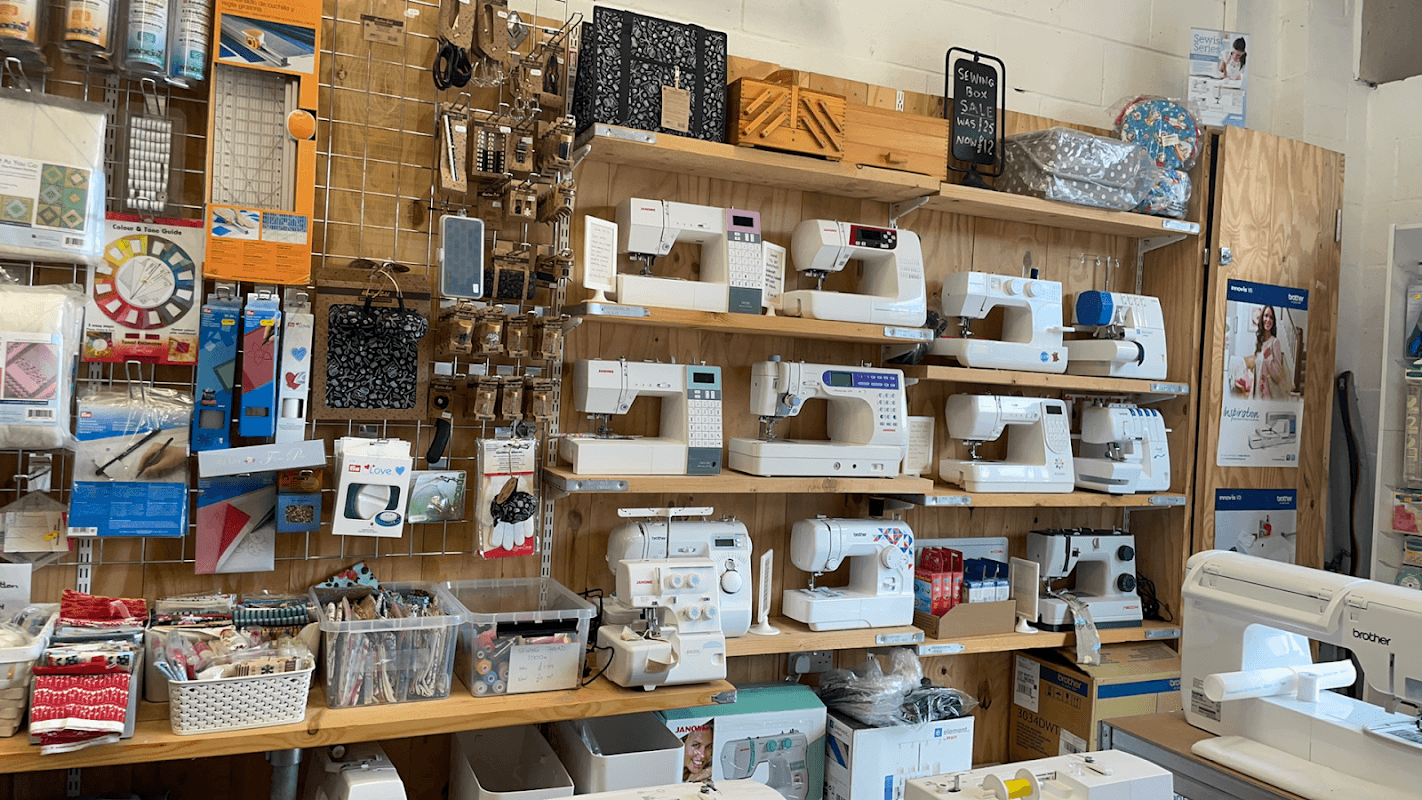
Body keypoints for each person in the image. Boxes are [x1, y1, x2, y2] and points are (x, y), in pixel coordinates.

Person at [1253, 305, 1288, 399]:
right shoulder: (1258, 342)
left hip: (1268, 398)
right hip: (1257, 396)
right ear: (1261, 318)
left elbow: (1277, 375)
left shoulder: (1275, 342)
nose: (1268, 320)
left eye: (1271, 317)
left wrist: (1268, 356)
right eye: (1266, 316)